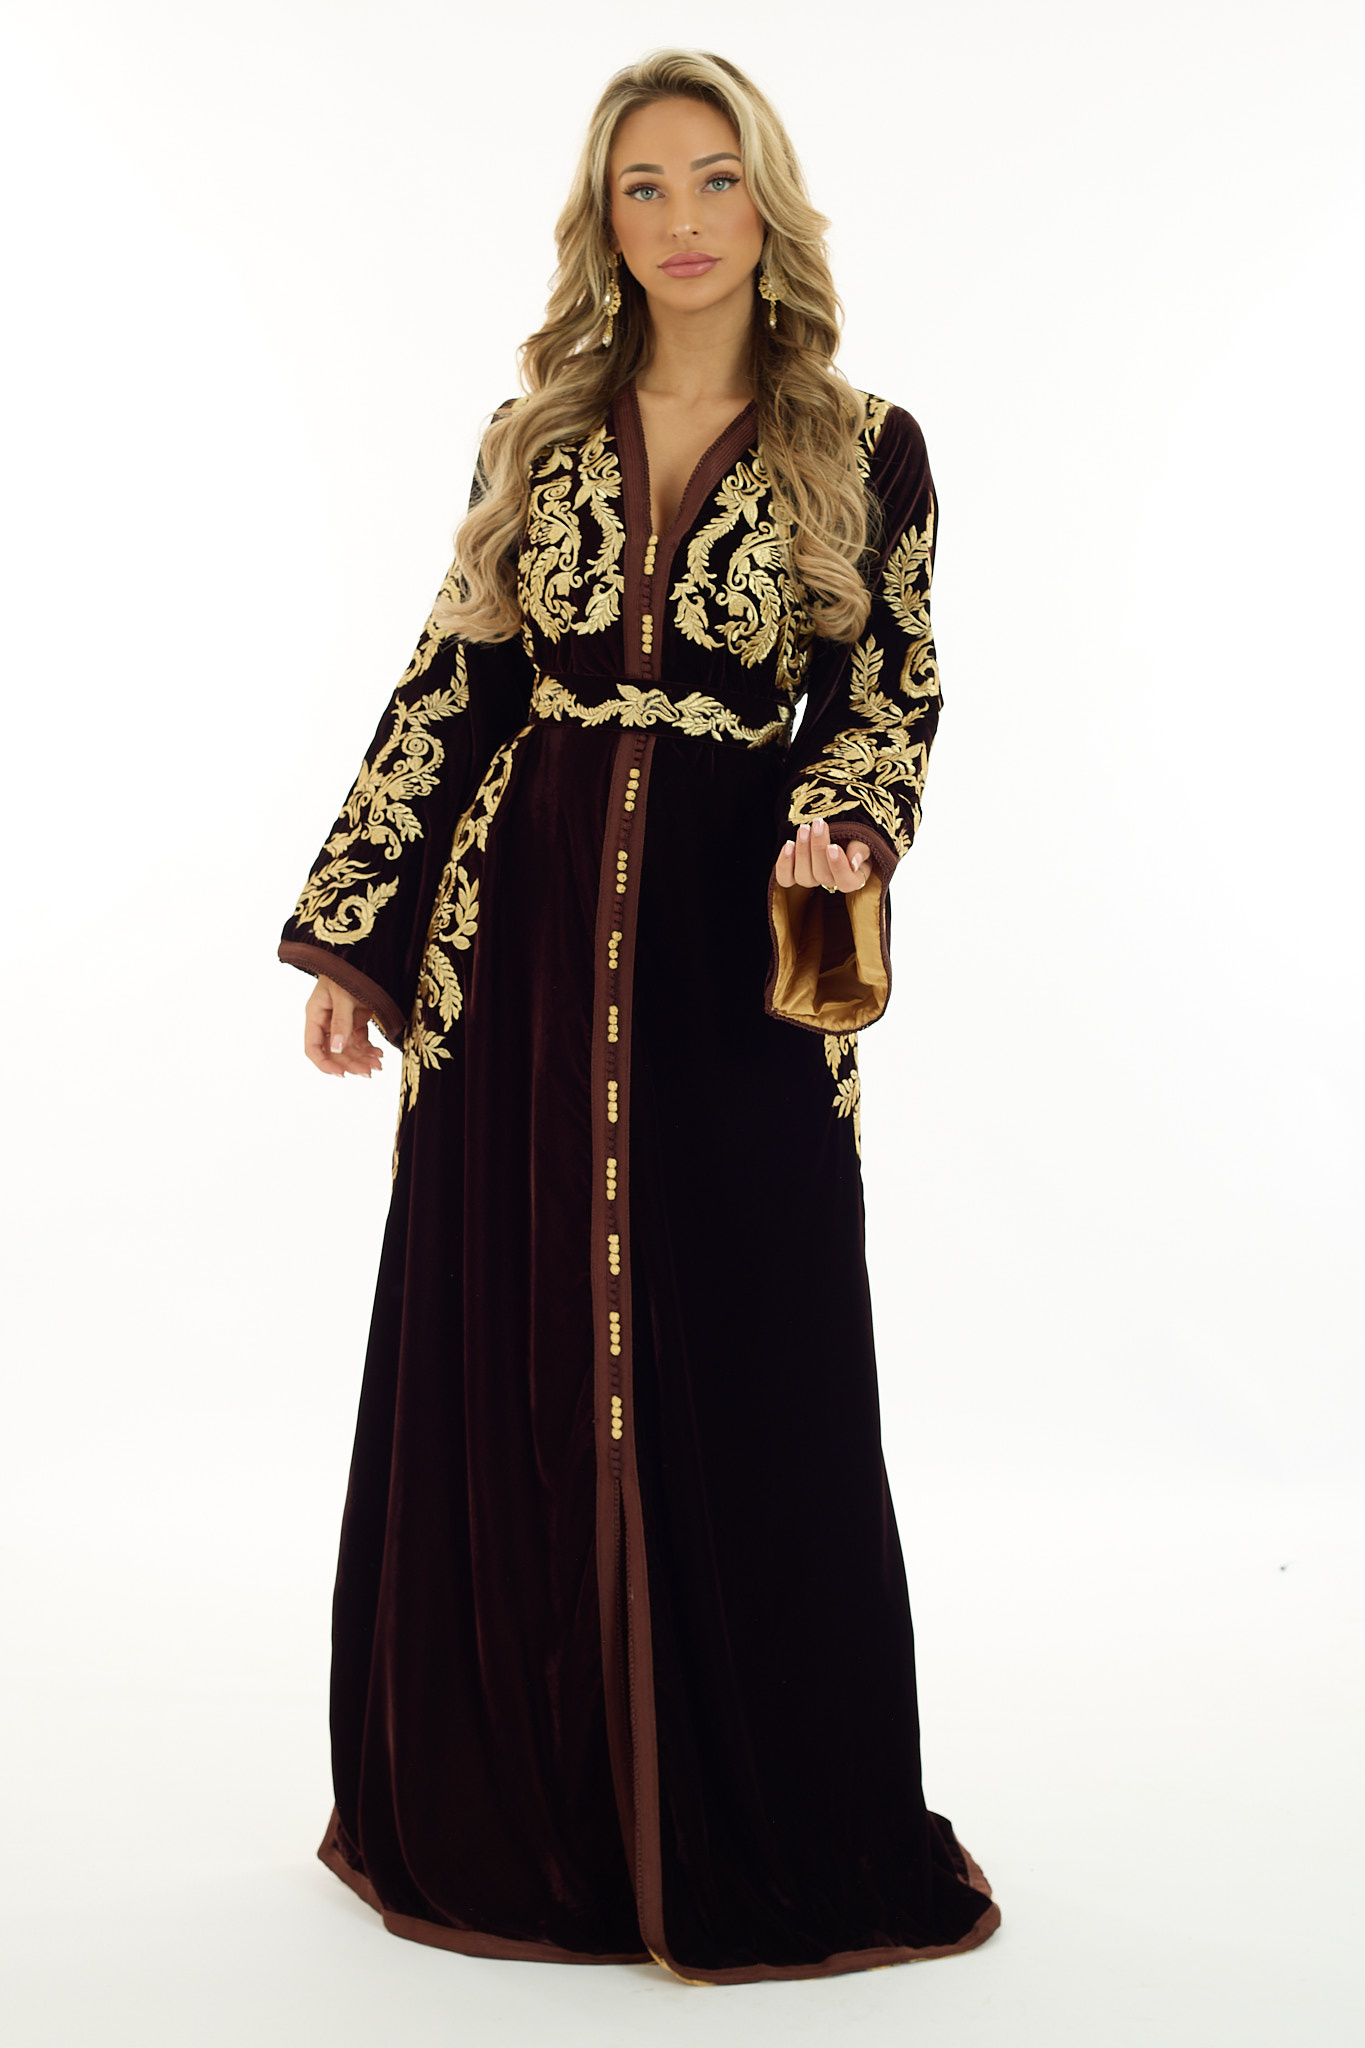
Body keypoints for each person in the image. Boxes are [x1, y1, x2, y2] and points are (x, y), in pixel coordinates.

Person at [276, 47, 1000, 1986]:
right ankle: (520, 1807)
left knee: (754, 1342)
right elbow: (452, 681)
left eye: (712, 179)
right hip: (507, 951)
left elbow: (892, 681)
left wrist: (847, 817)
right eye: (640, 190)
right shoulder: (537, 432)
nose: (680, 222)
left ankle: (760, 1804)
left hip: (729, 955)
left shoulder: (863, 444)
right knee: (512, 1339)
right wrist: (357, 937)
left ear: (769, 199)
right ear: (602, 225)